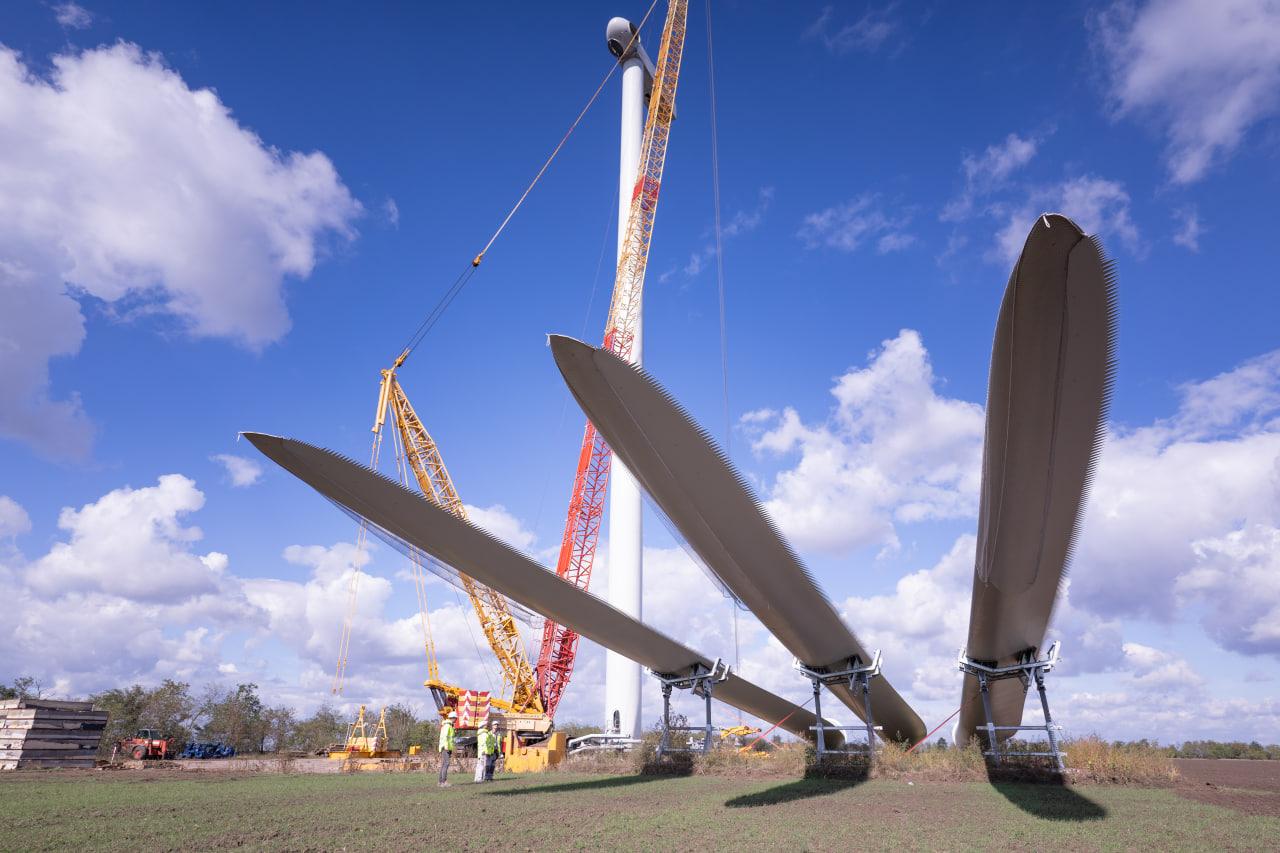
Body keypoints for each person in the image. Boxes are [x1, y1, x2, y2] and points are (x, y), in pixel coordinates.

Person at [437, 710, 456, 787]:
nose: (456, 720)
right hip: (445, 748)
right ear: (453, 718)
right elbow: (445, 737)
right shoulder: (447, 726)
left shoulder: (449, 726)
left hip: (446, 747)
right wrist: (446, 747)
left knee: (444, 764)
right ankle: (443, 782)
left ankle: (440, 782)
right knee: (446, 764)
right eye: (456, 718)